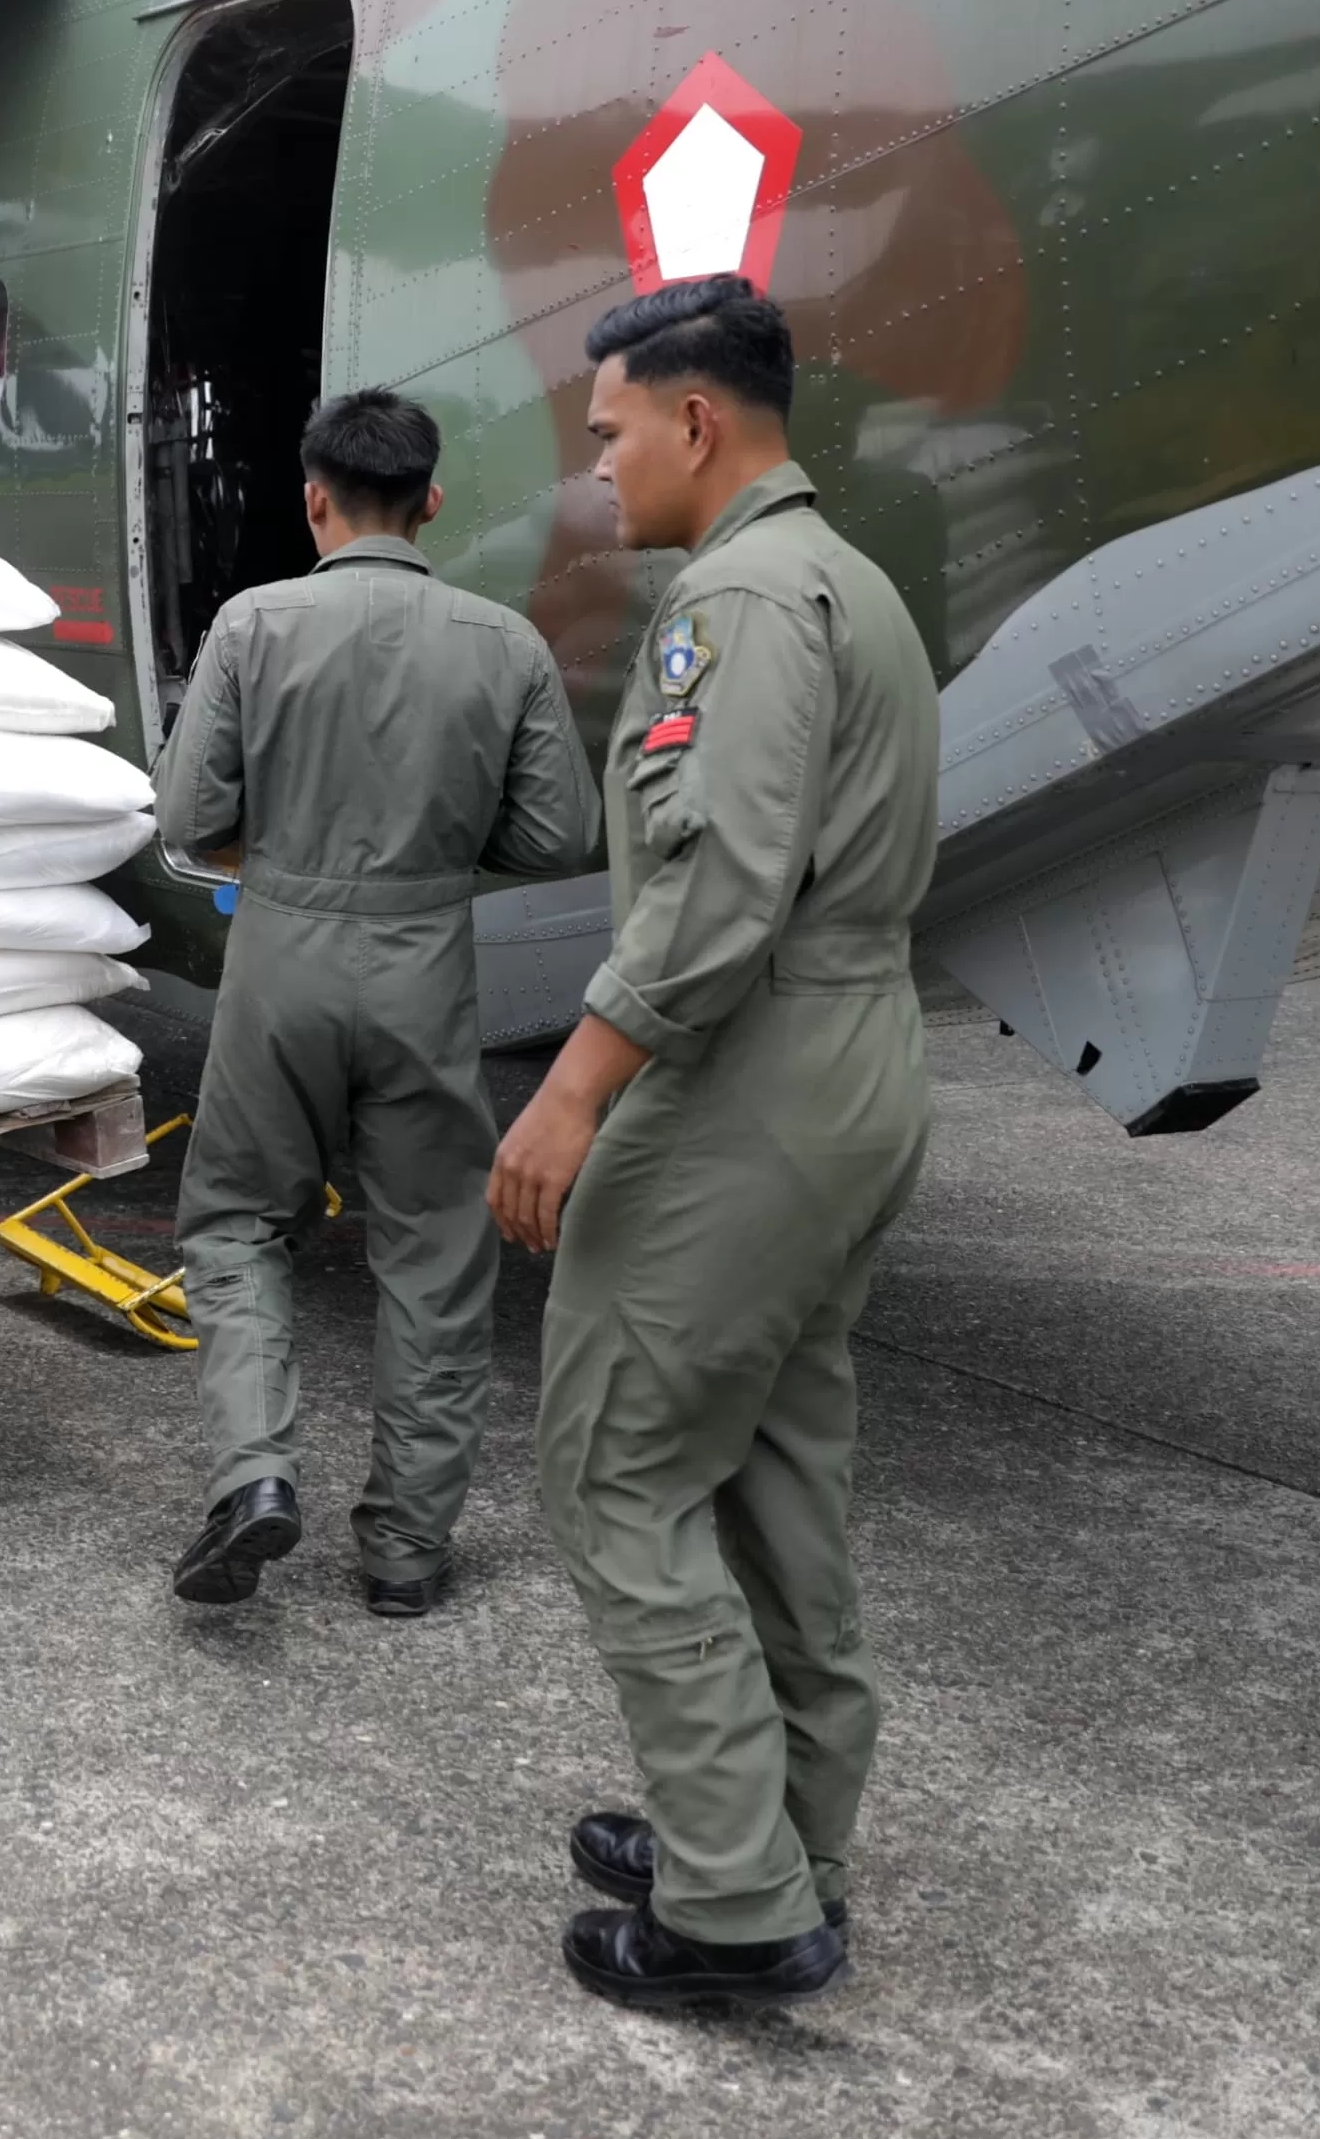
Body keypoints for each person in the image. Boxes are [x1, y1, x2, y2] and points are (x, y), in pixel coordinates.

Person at [486, 273, 938, 2014]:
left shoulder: (735, 599)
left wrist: (573, 1087)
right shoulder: (850, 580)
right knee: (770, 1468)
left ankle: (738, 1903)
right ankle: (774, 1834)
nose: (599, 470)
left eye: (610, 434)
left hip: (747, 1075)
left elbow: (721, 883)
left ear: (695, 419)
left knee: (616, 1467)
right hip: (856, 1064)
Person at [152, 388, 596, 1613]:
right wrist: (436, 850)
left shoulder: (251, 623)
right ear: (430, 502)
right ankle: (403, 1550)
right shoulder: (502, 641)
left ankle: (254, 1472)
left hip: (278, 958)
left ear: (313, 498)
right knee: (435, 1254)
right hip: (423, 964)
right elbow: (559, 834)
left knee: (235, 1222)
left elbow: (186, 815)